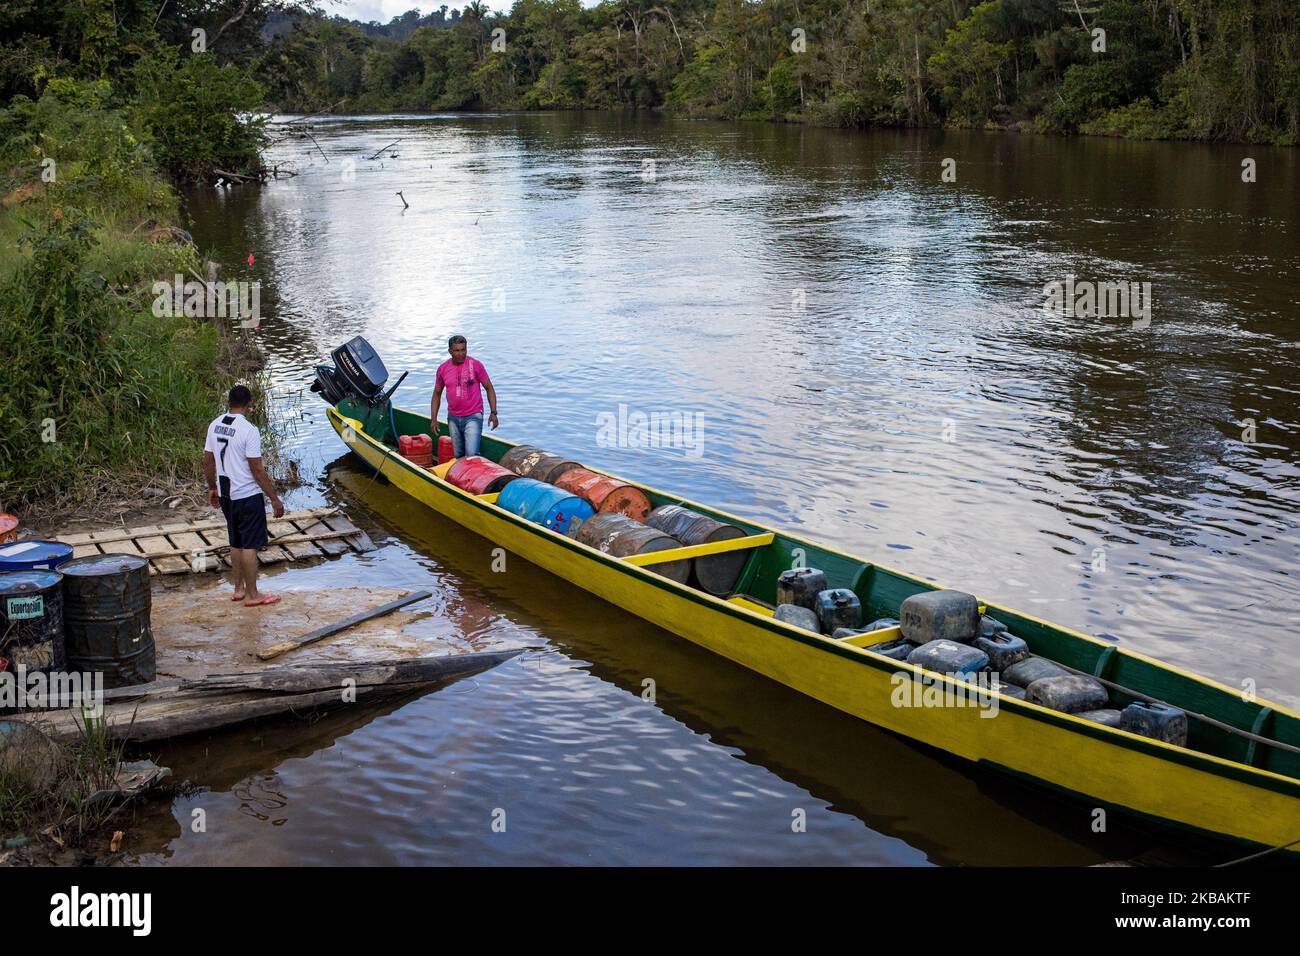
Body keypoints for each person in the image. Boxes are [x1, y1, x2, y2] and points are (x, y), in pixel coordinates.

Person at [203, 385, 285, 607]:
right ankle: (252, 595)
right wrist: (274, 499)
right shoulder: (249, 430)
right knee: (249, 545)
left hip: (226, 492)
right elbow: (257, 470)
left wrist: (213, 488)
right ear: (249, 405)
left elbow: (208, 461)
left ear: (229, 403)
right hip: (246, 493)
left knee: (236, 541)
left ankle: (238, 589)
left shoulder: (215, 425)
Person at [431, 334, 498, 458]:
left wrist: (493, 413)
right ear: (450, 351)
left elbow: (489, 388)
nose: (461, 354)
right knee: (459, 455)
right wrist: (433, 418)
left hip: (473, 415)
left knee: (471, 455)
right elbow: (437, 394)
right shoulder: (443, 369)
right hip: (453, 418)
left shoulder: (476, 365)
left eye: (463, 350)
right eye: (457, 350)